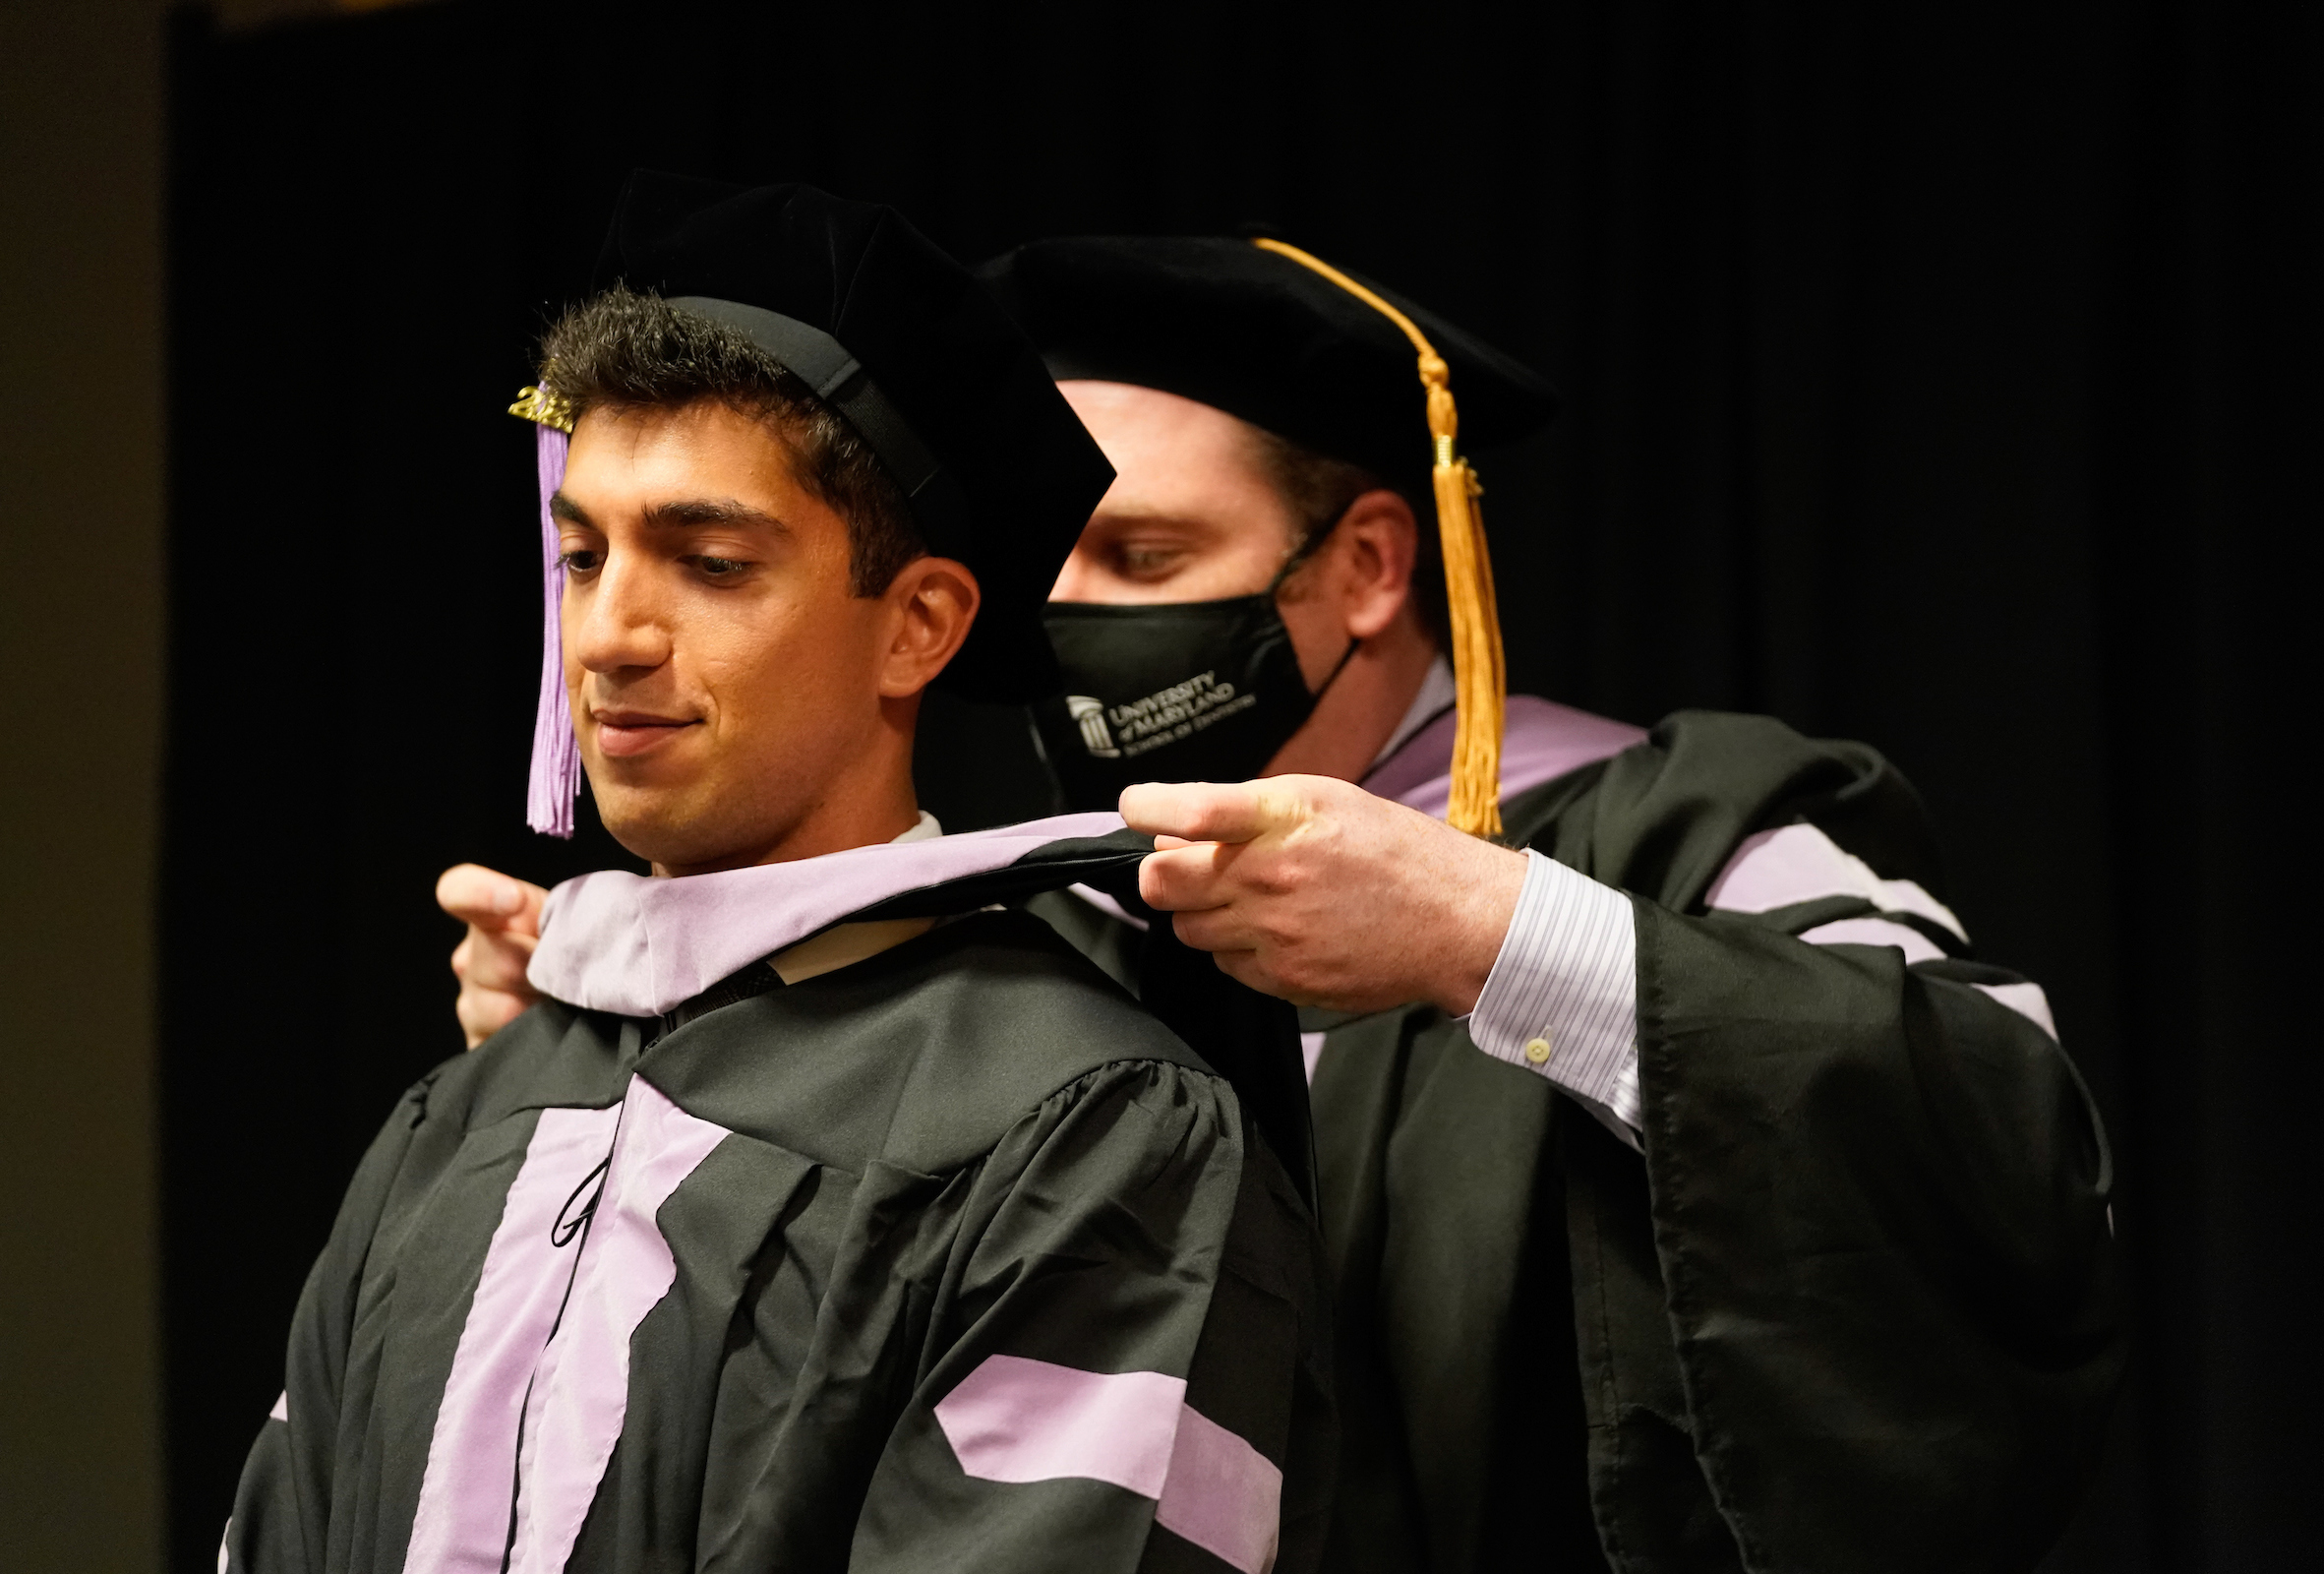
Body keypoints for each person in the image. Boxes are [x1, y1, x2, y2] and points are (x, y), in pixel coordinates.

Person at [442, 233, 2125, 1572]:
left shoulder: (1684, 831)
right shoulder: (1064, 916)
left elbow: (2007, 1146)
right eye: (1064, 574)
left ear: (1374, 568)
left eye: (1153, 562)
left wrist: (1494, 934)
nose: (1085, 626)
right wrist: (651, 1030)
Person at [221, 176, 1337, 1574]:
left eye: (710, 562)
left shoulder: (1083, 1128)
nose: (609, 635)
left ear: (917, 627)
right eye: (582, 554)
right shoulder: (468, 1113)